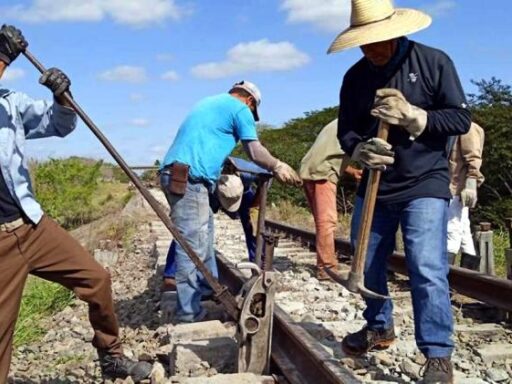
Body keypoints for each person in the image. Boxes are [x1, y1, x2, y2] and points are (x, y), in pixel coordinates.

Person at [328, 1, 471, 382]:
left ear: (394, 32)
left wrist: (415, 117)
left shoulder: (433, 62)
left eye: (377, 42)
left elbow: (459, 118)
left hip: (424, 181)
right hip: (376, 184)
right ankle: (379, 326)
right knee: (367, 260)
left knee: (426, 266)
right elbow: (346, 131)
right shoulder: (355, 78)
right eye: (364, 44)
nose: (371, 50)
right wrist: (359, 147)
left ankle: (438, 354)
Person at [0, 25, 152, 382]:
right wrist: (4, 56)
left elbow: (59, 124)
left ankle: (111, 355)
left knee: (97, 279)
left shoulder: (9, 103)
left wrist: (62, 96)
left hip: (31, 225)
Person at [160, 81, 301, 323]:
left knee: (204, 240)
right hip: (188, 178)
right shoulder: (239, 109)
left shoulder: (209, 103)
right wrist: (277, 165)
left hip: (187, 176)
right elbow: (254, 152)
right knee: (192, 245)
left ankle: (207, 290)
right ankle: (189, 313)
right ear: (250, 101)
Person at [299, 119, 362, 280]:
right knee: (327, 222)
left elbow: (329, 154)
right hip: (322, 174)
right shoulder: (360, 123)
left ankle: (325, 264)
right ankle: (326, 268)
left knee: (322, 223)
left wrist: (352, 171)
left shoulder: (338, 122)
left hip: (309, 170)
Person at [447, 122, 485, 269]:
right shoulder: (453, 126)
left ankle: (447, 277)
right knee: (463, 233)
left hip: (456, 188)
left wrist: (471, 183)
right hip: (453, 188)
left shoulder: (467, 127)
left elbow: (473, 159)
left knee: (452, 231)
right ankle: (467, 277)